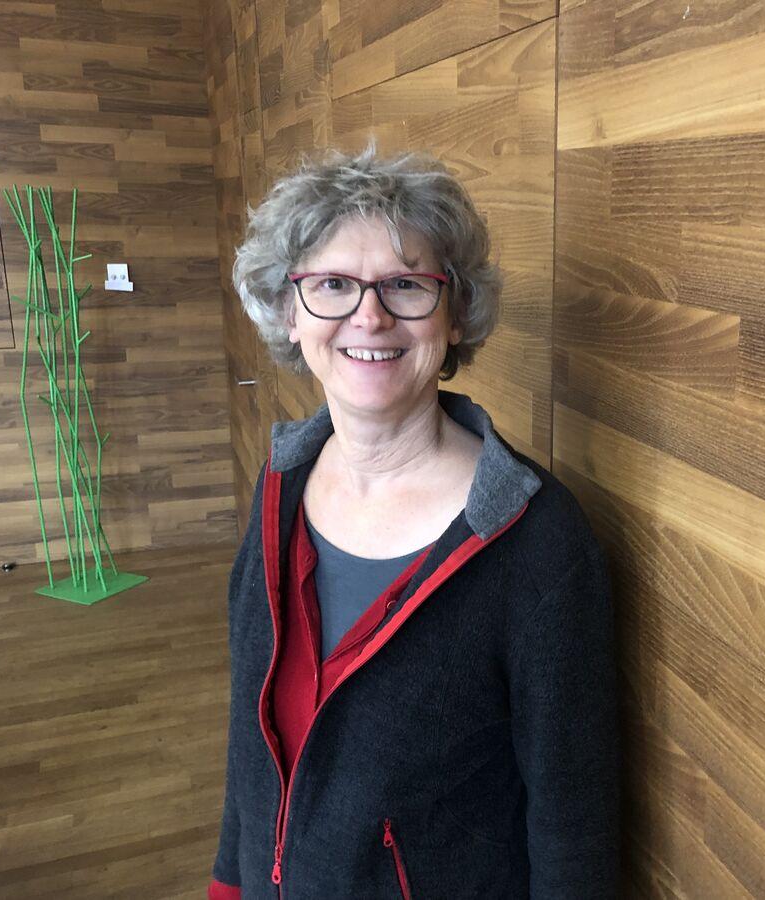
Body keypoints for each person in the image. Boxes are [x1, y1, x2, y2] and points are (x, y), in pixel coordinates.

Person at [209, 144, 619, 898]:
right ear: (291, 313)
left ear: (454, 314)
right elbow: (252, 739)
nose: (369, 315)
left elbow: (574, 827)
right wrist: (230, 883)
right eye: (333, 284)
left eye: (405, 284)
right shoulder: (280, 485)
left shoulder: (536, 540)